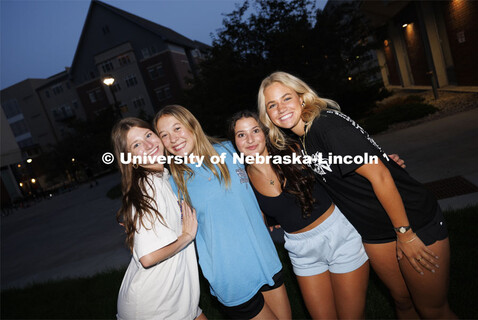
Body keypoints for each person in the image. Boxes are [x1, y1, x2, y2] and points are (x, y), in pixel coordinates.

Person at [257, 71, 456, 319]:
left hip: (411, 221)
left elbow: (380, 177)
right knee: (402, 301)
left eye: (286, 98)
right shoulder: (304, 138)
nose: (281, 108)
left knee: (432, 310)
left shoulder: (326, 125)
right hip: (374, 231)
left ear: (302, 97)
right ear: (267, 115)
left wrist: (405, 234)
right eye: (272, 105)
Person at [154, 105, 291, 319]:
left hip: (265, 258)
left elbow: (265, 166)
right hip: (231, 277)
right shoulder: (173, 185)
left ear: (192, 126)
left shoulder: (229, 150)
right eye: (164, 135)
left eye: (177, 128)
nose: (173, 139)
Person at [229, 110, 369, 319]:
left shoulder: (294, 150)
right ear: (234, 143)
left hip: (339, 235)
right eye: (241, 135)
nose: (249, 139)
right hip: (301, 251)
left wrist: (376, 167)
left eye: (255, 130)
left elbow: (338, 169)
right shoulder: (244, 180)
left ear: (265, 133)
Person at [111, 117, 205, 320]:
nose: (147, 144)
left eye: (148, 135)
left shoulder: (161, 178)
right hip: (155, 307)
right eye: (136, 145)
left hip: (177, 297)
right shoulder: (148, 188)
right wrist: (186, 236)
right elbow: (148, 257)